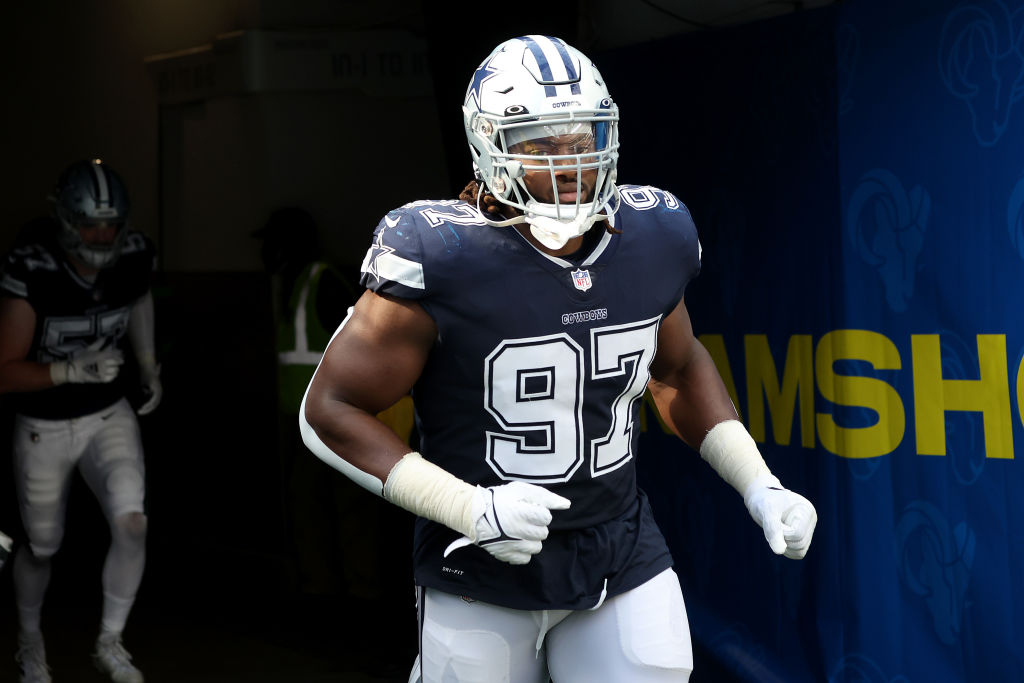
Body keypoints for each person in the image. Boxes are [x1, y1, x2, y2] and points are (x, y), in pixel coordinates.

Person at [300, 35, 818, 683]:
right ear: (490, 145)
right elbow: (329, 408)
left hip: (619, 548)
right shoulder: (441, 255)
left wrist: (758, 484)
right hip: (480, 563)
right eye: (543, 143)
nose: (571, 162)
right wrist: (471, 509)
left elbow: (678, 371)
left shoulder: (653, 236)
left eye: (584, 138)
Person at [0, 159, 161, 683]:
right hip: (43, 423)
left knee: (132, 522)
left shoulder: (134, 254)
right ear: (66, 219)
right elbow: (3, 372)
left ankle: (109, 642)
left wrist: (147, 363)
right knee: (42, 545)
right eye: (90, 223)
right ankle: (29, 643)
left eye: (110, 224)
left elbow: (138, 297)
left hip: (107, 415)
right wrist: (70, 368)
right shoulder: (34, 265)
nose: (101, 235)